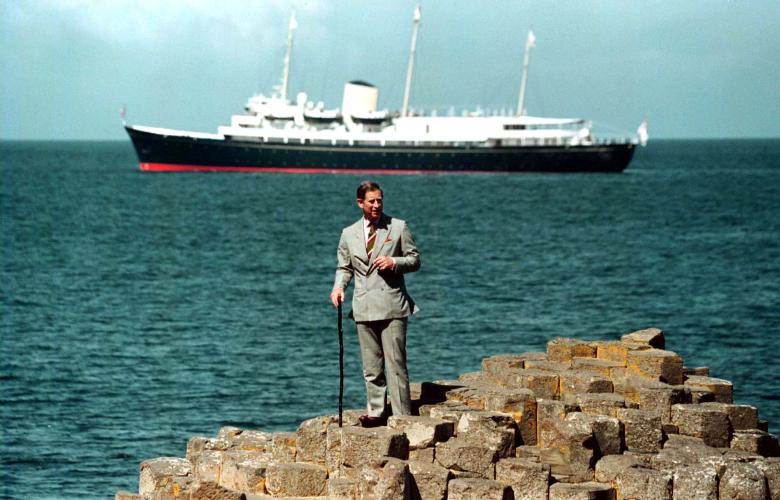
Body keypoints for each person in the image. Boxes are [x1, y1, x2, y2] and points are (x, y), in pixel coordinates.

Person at [330, 180, 421, 427]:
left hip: (393, 305)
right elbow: (344, 267)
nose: (377, 205)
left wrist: (394, 262)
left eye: (380, 200)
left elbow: (415, 260)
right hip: (363, 307)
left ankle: (403, 417)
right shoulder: (348, 234)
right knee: (371, 367)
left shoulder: (398, 227)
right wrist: (339, 287)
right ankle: (377, 413)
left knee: (396, 366)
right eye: (371, 201)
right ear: (360, 203)